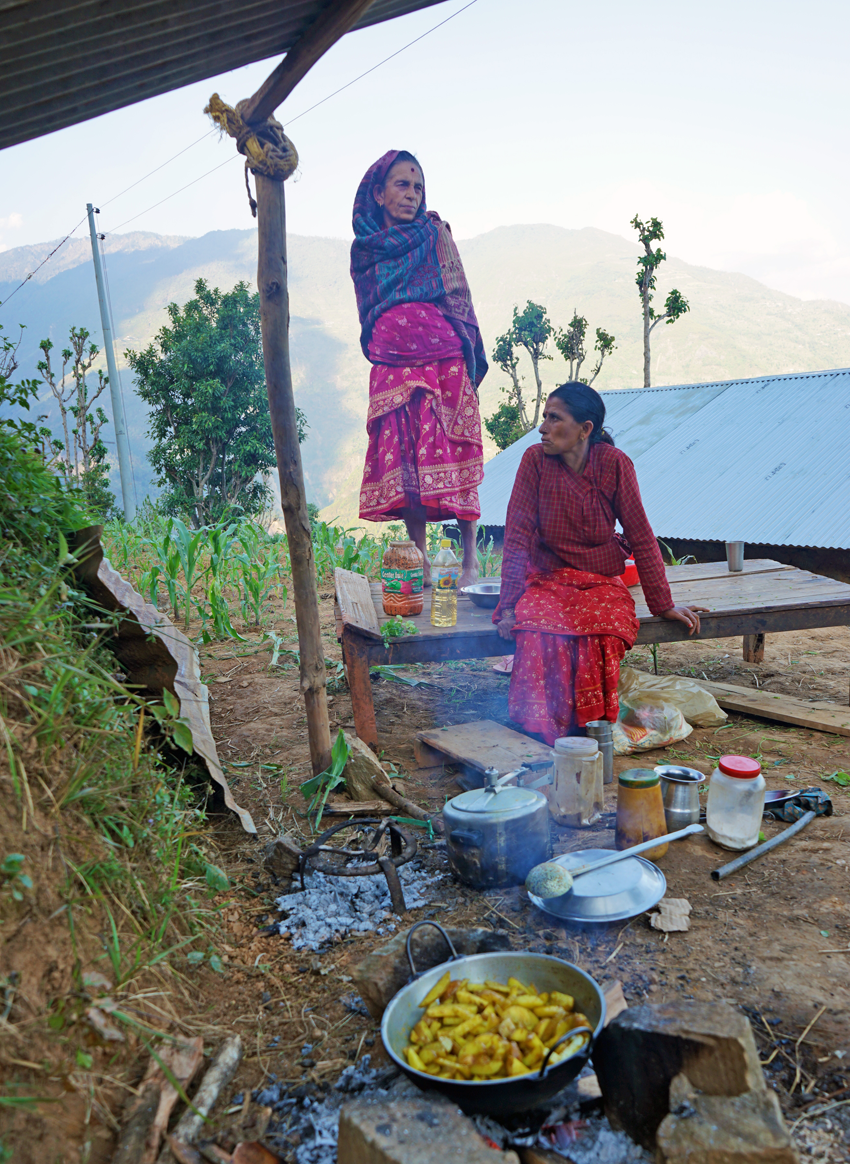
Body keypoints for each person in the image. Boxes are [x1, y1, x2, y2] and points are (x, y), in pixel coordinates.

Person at [494, 381, 707, 744]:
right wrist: (508, 607)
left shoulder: (615, 464)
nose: (542, 427)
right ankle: (543, 727)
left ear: (585, 429)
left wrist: (663, 603)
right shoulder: (534, 461)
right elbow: (515, 537)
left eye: (554, 418)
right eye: (544, 417)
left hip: (599, 579)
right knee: (539, 628)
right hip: (547, 577)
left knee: (602, 630)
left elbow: (640, 534)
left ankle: (589, 727)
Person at [350, 150, 487, 586]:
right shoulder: (365, 251)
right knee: (405, 456)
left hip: (444, 361)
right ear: (378, 193)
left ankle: (469, 562)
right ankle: (421, 560)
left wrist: (468, 351)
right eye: (402, 184)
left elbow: (458, 292)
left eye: (418, 187)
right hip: (392, 365)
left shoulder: (435, 233)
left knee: (451, 449)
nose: (411, 194)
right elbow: (368, 309)